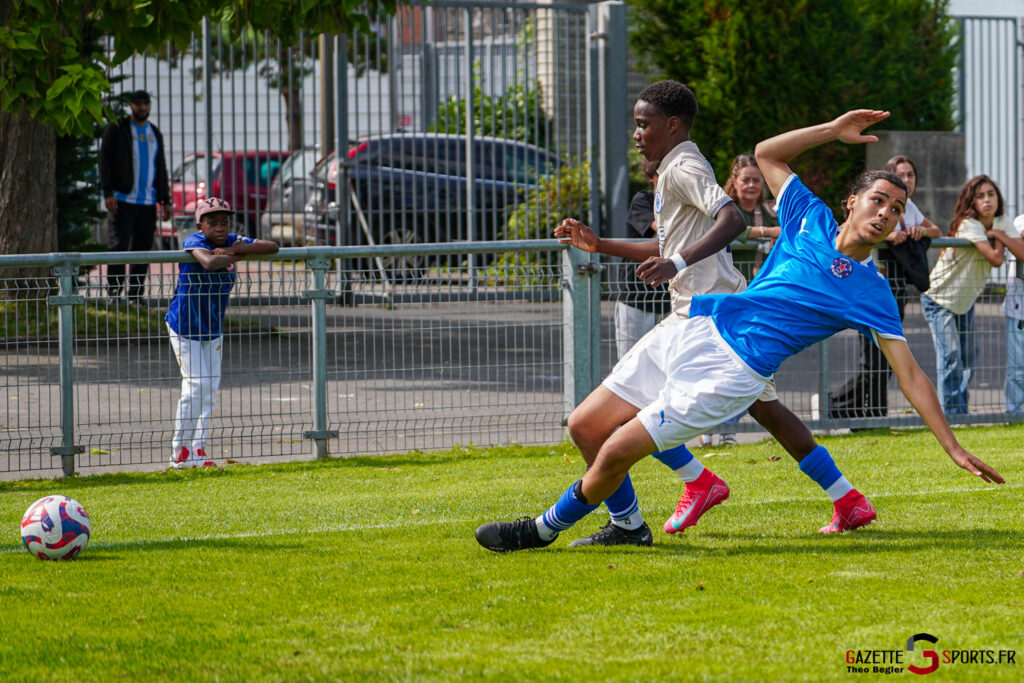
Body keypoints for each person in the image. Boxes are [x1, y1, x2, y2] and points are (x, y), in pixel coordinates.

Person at [477, 109, 1004, 553]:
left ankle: (539, 530)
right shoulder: (808, 217)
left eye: (896, 209)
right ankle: (631, 526)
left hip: (733, 371)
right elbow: (767, 153)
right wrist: (832, 130)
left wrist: (952, 446)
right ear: (852, 202)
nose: (886, 213)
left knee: (616, 449)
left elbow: (910, 376)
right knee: (586, 426)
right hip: (698, 324)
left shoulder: (872, 291)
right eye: (878, 200)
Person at [547, 81, 883, 547]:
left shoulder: (683, 166)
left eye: (643, 124)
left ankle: (674, 495)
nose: (636, 134)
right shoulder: (674, 168)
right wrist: (601, 244)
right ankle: (844, 497)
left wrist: (676, 263)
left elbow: (732, 218)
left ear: (672, 125)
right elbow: (669, 246)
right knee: (766, 411)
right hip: (702, 312)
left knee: (635, 415)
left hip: (712, 320)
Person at [165, 198, 279, 468]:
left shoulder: (230, 240)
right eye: (212, 222)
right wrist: (239, 254)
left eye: (224, 222)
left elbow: (272, 247)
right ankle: (180, 451)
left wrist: (231, 248)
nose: (219, 227)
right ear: (200, 225)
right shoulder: (195, 240)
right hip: (185, 326)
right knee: (195, 386)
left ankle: (199, 449)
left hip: (213, 327)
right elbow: (208, 262)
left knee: (209, 390)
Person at [828, 154, 942, 420]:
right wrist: (887, 235)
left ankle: (870, 413)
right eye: (901, 175)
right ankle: (839, 404)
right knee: (873, 359)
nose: (907, 180)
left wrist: (920, 231)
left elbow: (935, 230)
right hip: (869, 287)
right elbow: (851, 232)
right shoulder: (873, 214)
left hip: (896, 290)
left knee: (889, 360)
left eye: (911, 175)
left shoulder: (909, 207)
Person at [920, 175, 1017, 415]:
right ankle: (953, 414)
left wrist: (1000, 235)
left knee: (968, 356)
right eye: (980, 196)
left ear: (998, 198)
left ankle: (959, 409)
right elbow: (995, 259)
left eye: (991, 194)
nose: (986, 200)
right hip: (939, 299)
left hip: (964, 301)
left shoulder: (1001, 222)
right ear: (971, 201)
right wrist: (1001, 238)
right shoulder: (969, 224)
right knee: (951, 356)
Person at [99, 89, 172, 299]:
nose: (142, 107)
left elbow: (160, 166)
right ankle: (114, 294)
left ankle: (135, 295)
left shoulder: (154, 133)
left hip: (148, 203)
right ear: (131, 106)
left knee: (143, 249)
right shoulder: (117, 128)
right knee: (119, 247)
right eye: (138, 104)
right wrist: (108, 192)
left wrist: (165, 199)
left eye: (145, 104)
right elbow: (104, 161)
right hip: (122, 201)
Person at [610, 160, 670, 359]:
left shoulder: (684, 203)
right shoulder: (643, 200)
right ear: (651, 177)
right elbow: (665, 232)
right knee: (631, 362)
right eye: (662, 174)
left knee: (667, 364)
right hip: (637, 298)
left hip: (670, 300)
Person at [725, 153, 781, 280]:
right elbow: (727, 230)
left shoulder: (772, 212)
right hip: (730, 285)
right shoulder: (725, 210)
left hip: (764, 285)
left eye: (756, 180)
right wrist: (770, 232)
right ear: (734, 182)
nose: (751, 185)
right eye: (745, 180)